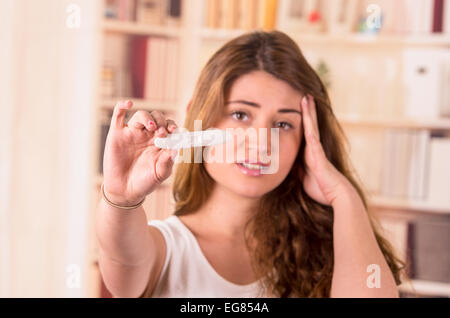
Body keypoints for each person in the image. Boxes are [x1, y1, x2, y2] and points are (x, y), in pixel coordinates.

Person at [96, 30, 405, 298]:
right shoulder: (165, 251)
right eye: (241, 115)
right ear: (197, 118)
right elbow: (122, 261)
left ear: (307, 140)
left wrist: (343, 196)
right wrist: (121, 198)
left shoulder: (330, 249)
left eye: (283, 124)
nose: (260, 142)